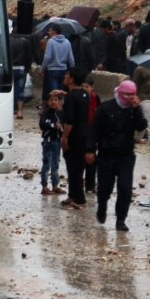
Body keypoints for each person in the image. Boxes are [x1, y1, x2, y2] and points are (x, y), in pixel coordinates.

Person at [86, 81, 147, 231]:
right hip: (106, 155)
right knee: (105, 188)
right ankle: (102, 206)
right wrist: (90, 150)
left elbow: (141, 126)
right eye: (127, 94)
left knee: (125, 188)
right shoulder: (106, 107)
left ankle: (121, 220)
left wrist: (136, 110)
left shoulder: (134, 109)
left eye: (133, 94)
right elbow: (94, 130)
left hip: (126, 156)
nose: (130, 97)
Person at [60, 67, 91, 208]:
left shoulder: (71, 97)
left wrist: (64, 137)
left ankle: (80, 199)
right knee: (75, 166)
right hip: (84, 133)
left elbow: (69, 120)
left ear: (71, 79)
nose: (65, 76)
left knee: (75, 168)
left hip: (75, 136)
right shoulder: (85, 94)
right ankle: (72, 194)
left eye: (67, 74)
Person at [40, 24, 74, 104]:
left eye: (50, 30)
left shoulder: (51, 42)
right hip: (64, 69)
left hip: (52, 70)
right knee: (61, 92)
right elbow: (71, 58)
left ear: (54, 31)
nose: (49, 32)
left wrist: (42, 69)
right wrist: (72, 70)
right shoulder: (67, 42)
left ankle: (55, 110)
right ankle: (60, 109)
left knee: (54, 92)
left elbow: (47, 57)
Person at [39, 92, 65, 195]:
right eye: (51, 100)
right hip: (48, 142)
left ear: (59, 102)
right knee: (47, 165)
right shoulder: (45, 114)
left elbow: (64, 126)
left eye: (55, 100)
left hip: (57, 142)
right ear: (48, 102)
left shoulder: (61, 114)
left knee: (55, 164)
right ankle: (44, 187)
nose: (53, 102)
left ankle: (55, 186)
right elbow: (43, 124)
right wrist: (54, 126)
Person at [10, 29, 32, 119]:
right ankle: (19, 111)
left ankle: (12, 108)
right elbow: (29, 56)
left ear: (12, 32)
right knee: (20, 91)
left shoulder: (9, 42)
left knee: (10, 90)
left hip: (10, 69)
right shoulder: (25, 42)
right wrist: (27, 69)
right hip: (21, 69)